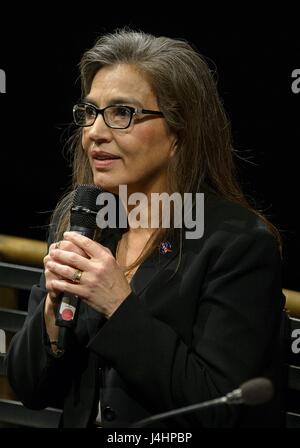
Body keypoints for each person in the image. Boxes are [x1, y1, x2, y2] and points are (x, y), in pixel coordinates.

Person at [6, 29, 285, 428]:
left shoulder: (237, 244)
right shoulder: (82, 219)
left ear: (178, 131)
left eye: (123, 113)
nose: (96, 133)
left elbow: (221, 408)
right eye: (91, 112)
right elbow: (29, 390)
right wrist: (52, 312)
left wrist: (118, 305)